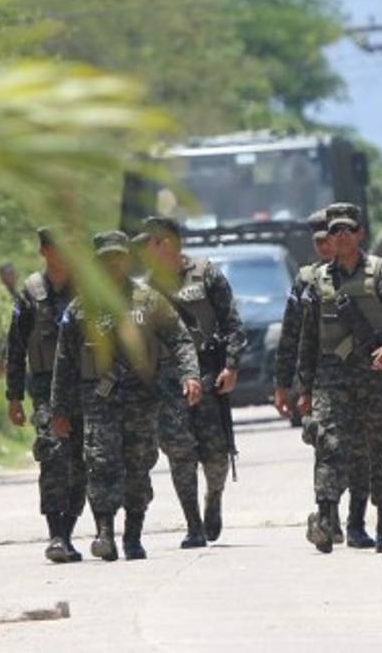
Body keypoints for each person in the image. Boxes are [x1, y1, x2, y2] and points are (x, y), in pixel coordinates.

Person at [49, 231, 202, 562]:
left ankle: (133, 534)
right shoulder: (80, 308)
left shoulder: (149, 301)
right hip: (98, 401)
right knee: (100, 464)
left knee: (138, 467)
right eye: (105, 259)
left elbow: (180, 339)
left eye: (118, 257)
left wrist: (190, 375)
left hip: (141, 401)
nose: (113, 265)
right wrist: (58, 410)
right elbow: (64, 361)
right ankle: (105, 532)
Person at [297, 202, 382, 554]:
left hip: (374, 380)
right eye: (334, 231)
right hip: (331, 381)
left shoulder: (380, 272)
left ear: (360, 235)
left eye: (347, 230)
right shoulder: (318, 281)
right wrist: (303, 388)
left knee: (379, 453)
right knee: (329, 446)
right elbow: (309, 338)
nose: (340, 236)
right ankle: (324, 520)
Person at [134, 216, 247, 549]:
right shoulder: (144, 289)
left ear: (165, 243)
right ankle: (193, 525)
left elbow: (232, 324)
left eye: (148, 243)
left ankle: (214, 497)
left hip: (209, 377)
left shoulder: (206, 274)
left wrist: (231, 366)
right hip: (168, 382)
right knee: (179, 453)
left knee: (215, 455)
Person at [5, 227, 85, 562]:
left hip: (86, 387)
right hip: (44, 389)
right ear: (45, 252)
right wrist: (13, 396)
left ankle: (69, 530)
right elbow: (16, 345)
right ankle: (56, 534)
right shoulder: (30, 292)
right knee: (53, 456)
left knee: (83, 462)